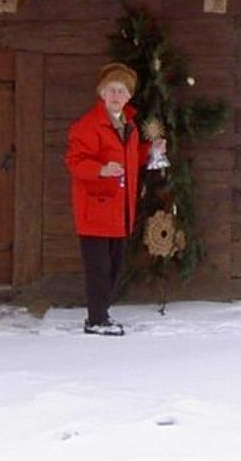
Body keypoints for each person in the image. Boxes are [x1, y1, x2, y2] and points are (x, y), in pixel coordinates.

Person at [64, 62, 165, 336]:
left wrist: (150, 151)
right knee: (98, 269)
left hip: (120, 212)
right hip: (95, 209)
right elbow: (75, 162)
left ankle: (101, 314)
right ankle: (96, 319)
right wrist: (100, 170)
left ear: (128, 96)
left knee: (114, 268)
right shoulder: (88, 126)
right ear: (102, 93)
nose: (116, 95)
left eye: (121, 91)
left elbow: (130, 160)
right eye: (111, 90)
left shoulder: (128, 126)